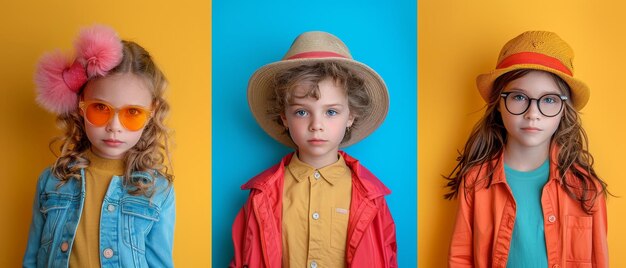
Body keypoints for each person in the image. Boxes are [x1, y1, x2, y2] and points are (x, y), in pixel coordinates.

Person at [230, 31, 397, 268]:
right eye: (301, 111)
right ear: (284, 118)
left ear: (350, 116)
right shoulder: (260, 196)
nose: (316, 125)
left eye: (331, 112)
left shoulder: (373, 198)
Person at [446, 31, 609, 267]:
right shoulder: (475, 182)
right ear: (498, 104)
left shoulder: (586, 188)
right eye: (519, 97)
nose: (533, 114)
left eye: (549, 100)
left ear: (565, 108)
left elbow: (599, 260)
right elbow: (460, 258)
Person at [23, 25, 175, 267]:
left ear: (151, 112)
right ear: (81, 104)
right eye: (101, 108)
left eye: (132, 112)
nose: (114, 126)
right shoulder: (51, 181)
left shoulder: (158, 191)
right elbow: (32, 260)